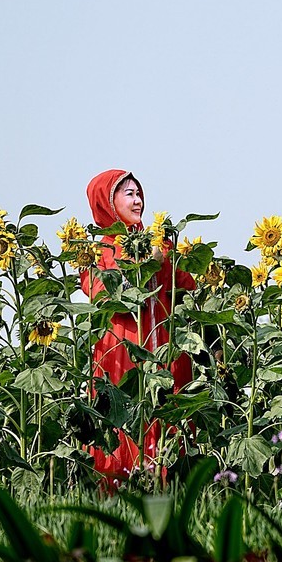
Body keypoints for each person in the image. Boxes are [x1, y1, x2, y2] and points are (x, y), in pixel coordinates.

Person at [81, 169, 196, 487]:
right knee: (123, 412)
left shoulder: (158, 242)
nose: (137, 200)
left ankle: (169, 487)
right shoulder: (99, 251)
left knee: (167, 410)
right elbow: (99, 293)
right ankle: (122, 493)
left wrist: (172, 256)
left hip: (163, 344)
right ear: (107, 202)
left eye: (139, 193)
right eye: (128, 193)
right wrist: (136, 266)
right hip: (122, 349)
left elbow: (187, 284)